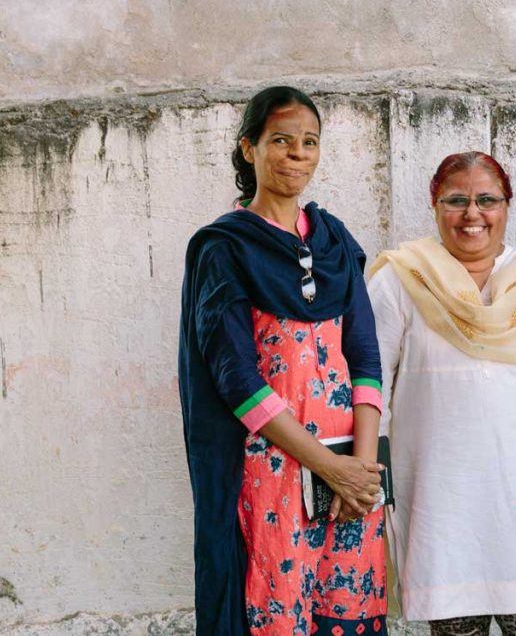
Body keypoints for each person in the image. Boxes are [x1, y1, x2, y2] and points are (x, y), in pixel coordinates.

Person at [367, 152, 516, 636]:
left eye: (486, 200)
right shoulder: (402, 278)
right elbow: (371, 382)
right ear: (435, 207)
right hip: (438, 501)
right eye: (456, 200)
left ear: (506, 207)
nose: (472, 213)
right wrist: (374, 473)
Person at [178, 86, 388, 636]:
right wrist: (328, 466)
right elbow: (236, 380)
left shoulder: (334, 240)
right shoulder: (225, 248)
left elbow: (364, 352)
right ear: (249, 148)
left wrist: (360, 471)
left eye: (309, 142)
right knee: (279, 611)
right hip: (276, 468)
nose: (297, 154)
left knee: (348, 606)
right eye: (281, 140)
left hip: (351, 473)